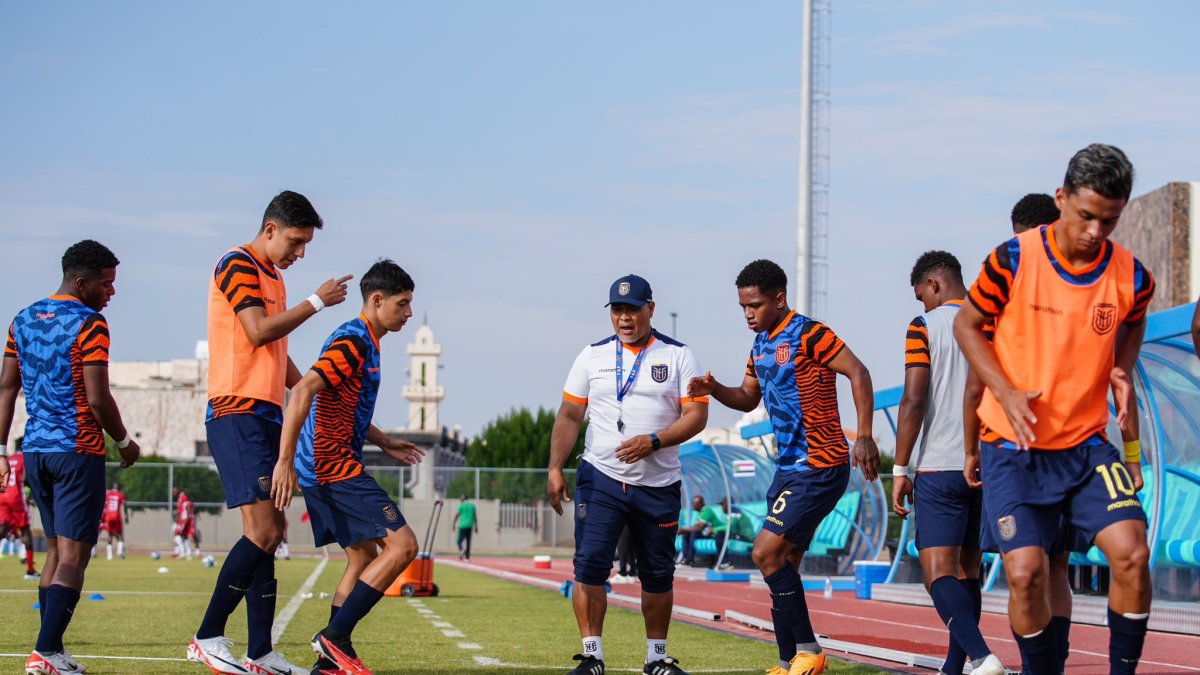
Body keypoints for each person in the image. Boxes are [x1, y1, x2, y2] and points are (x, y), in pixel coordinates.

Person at [954, 144, 1155, 675]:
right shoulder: (1013, 259)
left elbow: (1135, 319)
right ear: (1061, 198)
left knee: (1133, 553)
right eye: (1086, 216)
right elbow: (966, 326)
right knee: (1026, 575)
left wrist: (1122, 368)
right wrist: (1006, 391)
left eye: (1109, 221)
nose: (1095, 231)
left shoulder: (1131, 275)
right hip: (1013, 448)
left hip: (1086, 446)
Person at [688, 259, 880, 675]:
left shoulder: (810, 333)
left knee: (765, 553)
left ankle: (810, 651)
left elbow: (859, 372)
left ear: (779, 298)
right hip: (787, 469)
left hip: (821, 464)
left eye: (754, 305)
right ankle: (787, 662)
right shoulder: (758, 345)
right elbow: (747, 397)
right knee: (783, 564)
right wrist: (713, 389)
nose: (748, 314)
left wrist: (863, 434)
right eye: (742, 307)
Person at [188, 190, 351, 675]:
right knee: (263, 530)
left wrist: (313, 390)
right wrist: (317, 302)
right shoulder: (237, 263)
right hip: (236, 411)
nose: (299, 254)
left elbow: (275, 353)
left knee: (270, 533)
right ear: (271, 229)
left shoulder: (273, 276)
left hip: (265, 414)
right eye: (296, 243)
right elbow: (258, 332)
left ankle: (260, 653)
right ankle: (207, 635)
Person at [548, 273, 708, 675]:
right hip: (601, 477)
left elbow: (698, 415)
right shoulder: (591, 355)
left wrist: (653, 441)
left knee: (658, 573)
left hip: (658, 484)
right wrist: (554, 467)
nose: (624, 318)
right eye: (617, 310)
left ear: (650, 309)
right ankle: (592, 656)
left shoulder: (679, 355)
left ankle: (656, 660)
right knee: (589, 565)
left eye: (632, 309)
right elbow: (570, 414)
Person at [273, 258, 424, 675]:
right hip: (331, 468)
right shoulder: (354, 340)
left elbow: (343, 401)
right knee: (403, 546)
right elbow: (304, 389)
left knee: (361, 559)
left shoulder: (367, 343)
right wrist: (285, 462)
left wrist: (383, 440)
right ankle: (334, 638)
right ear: (377, 300)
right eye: (403, 303)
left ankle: (328, 664)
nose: (409, 313)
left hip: (330, 467)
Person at [0, 239, 141, 675]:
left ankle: (52, 651)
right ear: (81, 283)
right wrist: (124, 441)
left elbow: (7, 387)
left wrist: (1, 450)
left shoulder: (21, 319)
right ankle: (45, 652)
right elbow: (98, 399)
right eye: (106, 284)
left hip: (35, 452)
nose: (111, 293)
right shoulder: (90, 323)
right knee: (75, 556)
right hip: (77, 451)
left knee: (56, 552)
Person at [891, 251, 1005, 675]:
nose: (921, 305)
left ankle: (981, 657)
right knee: (967, 569)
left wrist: (900, 470)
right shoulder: (994, 320)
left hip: (940, 465)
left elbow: (914, 400)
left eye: (921, 296)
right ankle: (955, 666)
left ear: (934, 285)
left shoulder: (926, 326)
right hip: (987, 463)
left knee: (937, 573)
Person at [0, 437, 40, 578]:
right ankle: (30, 570)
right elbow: (26, 478)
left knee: (3, 528)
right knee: (25, 530)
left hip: (3, 495)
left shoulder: (9, 459)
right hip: (16, 496)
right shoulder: (24, 458)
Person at [675, 496, 708, 566]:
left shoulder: (706, 511)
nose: (692, 505)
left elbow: (700, 528)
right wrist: (684, 531)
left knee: (693, 533)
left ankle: (690, 559)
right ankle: (685, 558)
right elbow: (696, 526)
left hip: (709, 535)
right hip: (702, 533)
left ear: (700, 504)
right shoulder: (700, 513)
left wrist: (683, 530)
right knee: (686, 534)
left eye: (694, 503)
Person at [102, 482, 129, 561]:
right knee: (120, 534)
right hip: (116, 516)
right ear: (119, 488)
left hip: (108, 516)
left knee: (110, 535)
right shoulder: (120, 495)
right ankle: (120, 551)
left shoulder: (108, 494)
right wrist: (126, 516)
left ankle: (109, 556)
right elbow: (124, 505)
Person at [453, 494, 478, 561]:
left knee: (459, 540)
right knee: (468, 541)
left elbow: (457, 514)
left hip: (462, 525)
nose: (460, 498)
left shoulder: (461, 505)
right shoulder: (472, 506)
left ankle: (461, 549)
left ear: (464, 498)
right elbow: (475, 516)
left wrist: (454, 524)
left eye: (461, 497)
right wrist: (476, 526)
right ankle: (467, 557)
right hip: (470, 525)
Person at [174, 487, 196, 560]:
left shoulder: (185, 499)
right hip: (183, 519)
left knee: (177, 533)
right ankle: (188, 553)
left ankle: (183, 552)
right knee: (185, 535)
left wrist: (186, 519)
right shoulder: (182, 500)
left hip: (184, 520)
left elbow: (188, 509)